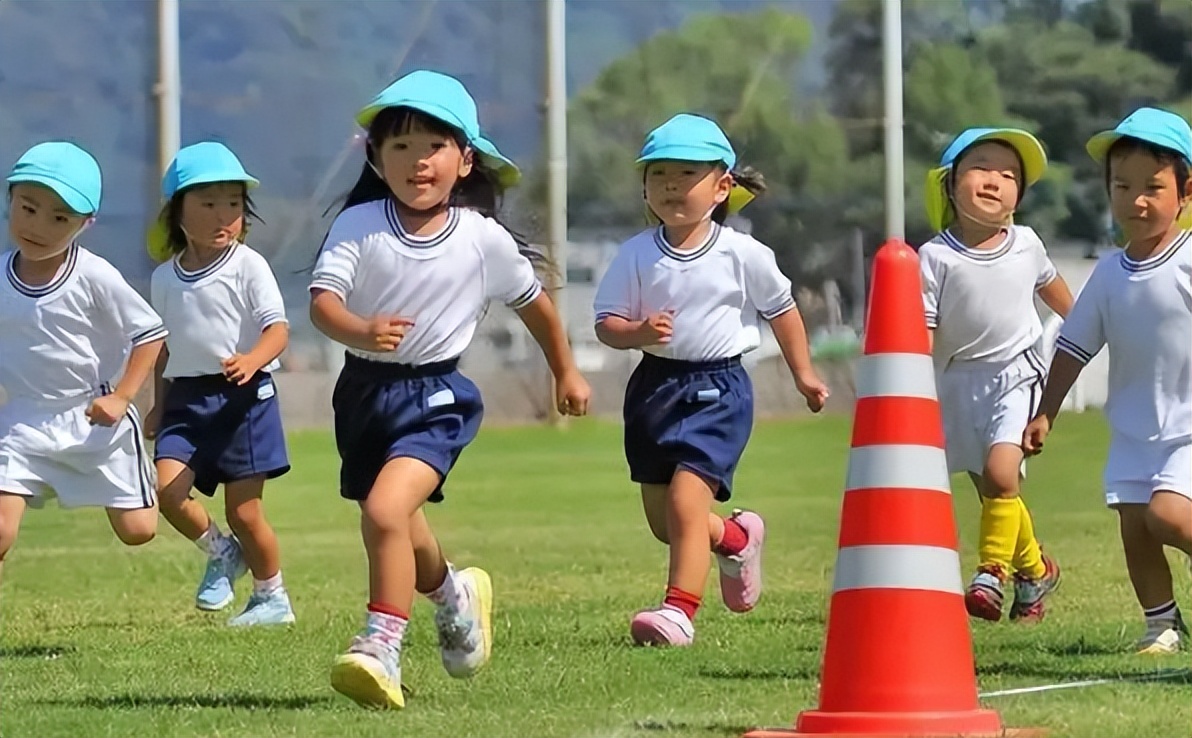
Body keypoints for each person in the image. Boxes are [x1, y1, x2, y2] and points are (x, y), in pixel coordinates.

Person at [310, 70, 591, 708]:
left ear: (464, 160)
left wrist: (566, 370)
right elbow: (323, 304)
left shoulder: (481, 238)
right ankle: (453, 594)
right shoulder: (358, 225)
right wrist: (361, 328)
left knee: (385, 512)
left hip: (437, 398)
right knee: (397, 522)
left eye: (433, 146)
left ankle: (380, 644)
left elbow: (536, 306)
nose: (418, 160)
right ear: (376, 159)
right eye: (401, 146)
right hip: (362, 396)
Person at [593, 113, 829, 647]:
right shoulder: (635, 254)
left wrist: (804, 374)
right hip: (653, 390)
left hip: (718, 391)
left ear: (722, 187)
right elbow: (606, 325)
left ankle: (678, 613)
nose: (671, 185)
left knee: (685, 503)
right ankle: (737, 538)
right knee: (667, 524)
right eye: (659, 175)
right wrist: (637, 332)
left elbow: (782, 310)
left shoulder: (742, 253)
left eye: (687, 174)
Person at [1024, 107, 1192, 653]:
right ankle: (1161, 626)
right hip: (1132, 429)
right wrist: (1046, 411)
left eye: (1153, 187)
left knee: (1169, 516)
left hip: (1188, 429)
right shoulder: (1108, 273)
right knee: (1135, 526)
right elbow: (1074, 346)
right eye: (1123, 186)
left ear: (1186, 192)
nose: (1136, 200)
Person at [919, 127, 1073, 622]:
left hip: (1017, 373)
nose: (995, 181)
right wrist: (912, 387)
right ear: (949, 184)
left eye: (1009, 176)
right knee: (993, 491)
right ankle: (1036, 570)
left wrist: (1089, 329)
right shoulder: (934, 256)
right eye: (981, 168)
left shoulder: (1027, 244)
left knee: (1003, 474)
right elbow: (924, 331)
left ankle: (991, 574)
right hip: (957, 383)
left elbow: (1054, 290)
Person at [0, 142, 166, 581]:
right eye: (28, 208)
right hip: (21, 422)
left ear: (85, 223)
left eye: (59, 218)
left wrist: (122, 398)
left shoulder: (94, 274)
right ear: (10, 198)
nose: (38, 226)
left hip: (93, 420)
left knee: (138, 531)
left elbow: (150, 334)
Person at [147, 142, 294, 626]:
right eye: (208, 203)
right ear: (177, 211)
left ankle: (272, 598)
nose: (223, 215)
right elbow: (163, 348)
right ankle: (222, 552)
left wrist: (252, 360)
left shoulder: (248, 265)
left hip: (245, 399)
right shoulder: (163, 279)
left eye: (233, 203)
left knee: (245, 514)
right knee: (166, 492)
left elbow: (278, 330)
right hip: (187, 401)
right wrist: (158, 405)